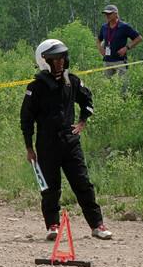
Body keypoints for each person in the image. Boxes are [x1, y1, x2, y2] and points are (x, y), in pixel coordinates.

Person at [20, 39, 113, 241]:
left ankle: (97, 225)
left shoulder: (73, 81)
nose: (60, 62)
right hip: (46, 146)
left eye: (62, 58)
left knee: (83, 184)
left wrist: (82, 122)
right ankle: (53, 226)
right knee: (50, 188)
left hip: (71, 144)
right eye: (55, 59)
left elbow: (88, 101)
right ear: (45, 61)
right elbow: (26, 119)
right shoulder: (35, 88)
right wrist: (29, 147)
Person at [97, 4, 142, 93]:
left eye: (109, 14)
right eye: (105, 14)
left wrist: (127, 48)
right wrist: (100, 49)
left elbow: (139, 38)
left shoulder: (124, 27)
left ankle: (124, 103)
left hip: (120, 61)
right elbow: (98, 40)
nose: (107, 16)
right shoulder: (104, 27)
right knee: (106, 88)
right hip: (107, 61)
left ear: (116, 14)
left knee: (123, 87)